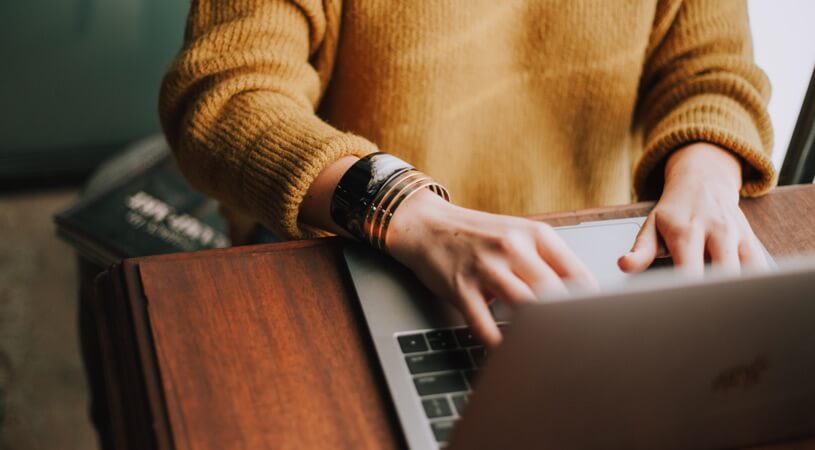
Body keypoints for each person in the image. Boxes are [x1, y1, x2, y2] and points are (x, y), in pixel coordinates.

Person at [159, 0, 776, 347]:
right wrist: (407, 210)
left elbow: (712, 68)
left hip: (586, 268)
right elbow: (225, 94)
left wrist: (706, 173)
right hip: (356, 251)